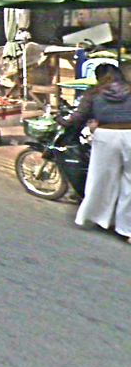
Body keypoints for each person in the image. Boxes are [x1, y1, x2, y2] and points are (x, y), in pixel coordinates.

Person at [68, 62, 131, 241]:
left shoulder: (93, 93)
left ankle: (97, 217)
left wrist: (62, 120)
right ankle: (128, 229)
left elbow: (79, 117)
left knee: (100, 180)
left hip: (106, 136)